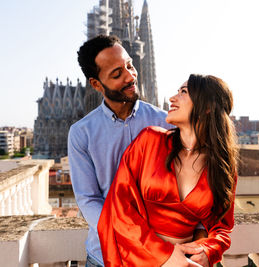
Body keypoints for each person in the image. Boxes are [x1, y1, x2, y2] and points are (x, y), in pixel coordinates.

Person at [98, 74, 239, 267]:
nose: (173, 98)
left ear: (207, 107)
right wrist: (164, 255)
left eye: (183, 92)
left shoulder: (222, 167)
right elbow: (118, 207)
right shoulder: (149, 141)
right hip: (139, 258)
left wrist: (207, 252)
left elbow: (222, 227)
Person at [68, 35, 173, 267]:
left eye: (130, 66)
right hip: (104, 256)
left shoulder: (166, 122)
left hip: (160, 257)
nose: (130, 76)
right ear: (96, 84)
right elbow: (88, 198)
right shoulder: (81, 133)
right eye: (117, 74)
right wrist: (125, 232)